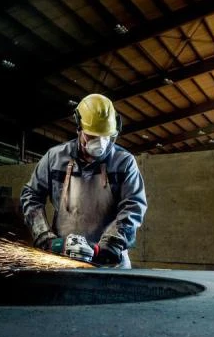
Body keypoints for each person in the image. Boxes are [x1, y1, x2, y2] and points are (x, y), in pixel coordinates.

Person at [20, 93, 147, 268]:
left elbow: (134, 206)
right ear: (79, 128)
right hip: (64, 257)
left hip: (109, 260)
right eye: (92, 136)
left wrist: (112, 243)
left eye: (106, 136)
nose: (101, 143)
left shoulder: (124, 162)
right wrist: (44, 237)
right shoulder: (54, 158)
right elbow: (31, 195)